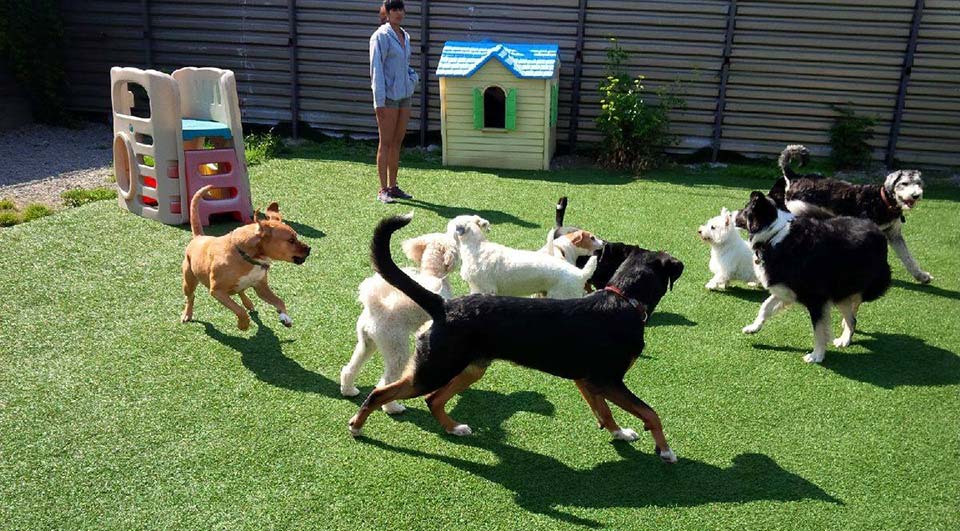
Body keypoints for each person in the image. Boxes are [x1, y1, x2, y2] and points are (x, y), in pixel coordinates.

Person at [370, 0, 419, 204]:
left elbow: (405, 65)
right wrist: (378, 101)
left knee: (397, 142)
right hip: (387, 98)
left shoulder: (405, 35)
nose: (398, 13)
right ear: (386, 13)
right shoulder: (380, 36)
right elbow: (376, 70)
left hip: (404, 95)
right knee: (386, 142)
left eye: (401, 9)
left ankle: (393, 186)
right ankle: (383, 190)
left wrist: (412, 79)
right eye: (394, 10)